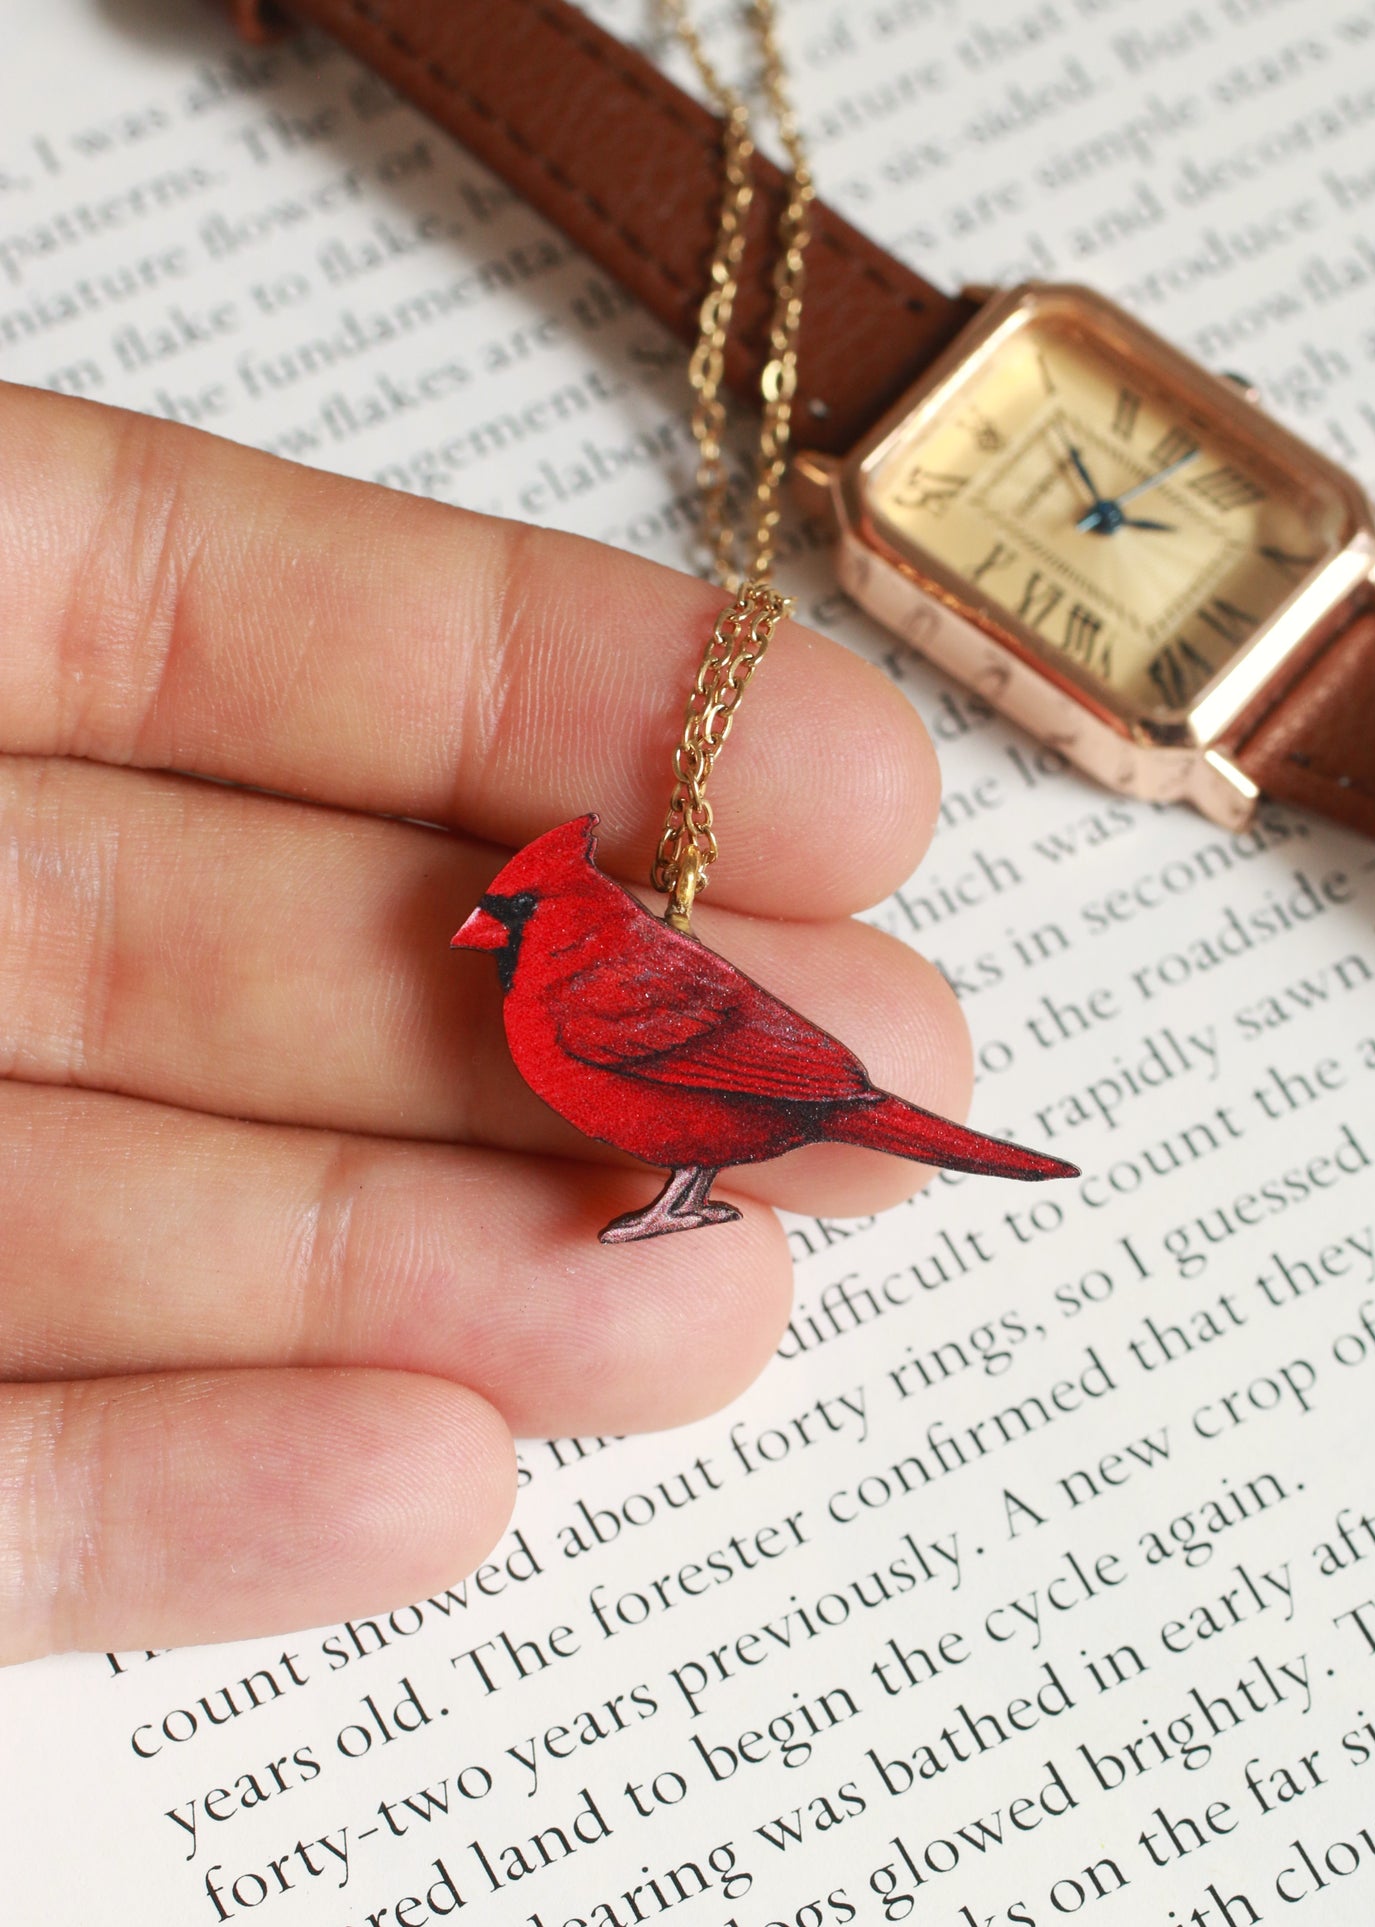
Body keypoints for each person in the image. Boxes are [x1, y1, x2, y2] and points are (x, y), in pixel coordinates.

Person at [0, 380, 972, 1665]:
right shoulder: (579, 972)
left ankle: (687, 1188)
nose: (479, 931)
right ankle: (685, 1190)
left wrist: (836, 1098)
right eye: (497, 919)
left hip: (772, 1090)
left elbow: (736, 1053)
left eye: (507, 921)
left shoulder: (605, 980)